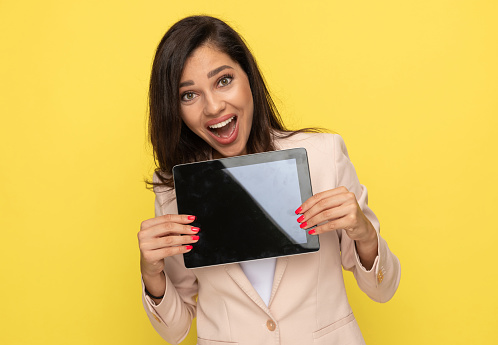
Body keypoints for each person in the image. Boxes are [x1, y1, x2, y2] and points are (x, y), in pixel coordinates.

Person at [138, 15, 401, 345]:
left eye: (223, 80)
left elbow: (382, 288)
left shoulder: (323, 157)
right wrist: (151, 273)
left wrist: (364, 233)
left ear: (248, 77)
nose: (214, 106)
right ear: (174, 109)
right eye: (189, 95)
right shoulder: (174, 191)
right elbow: (175, 330)